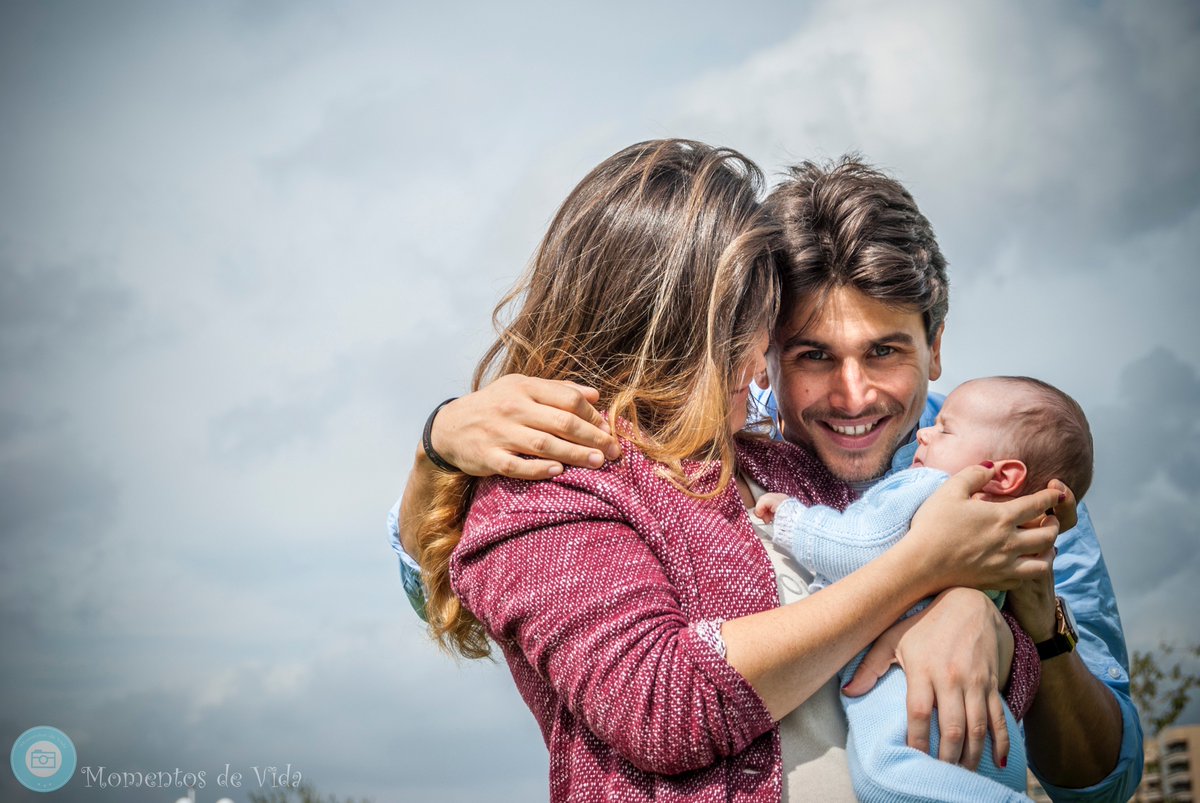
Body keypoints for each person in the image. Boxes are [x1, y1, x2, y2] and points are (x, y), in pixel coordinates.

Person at [392, 155, 1142, 800]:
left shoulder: (996, 463)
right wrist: (438, 447)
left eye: (885, 352)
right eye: (812, 355)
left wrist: (1000, 618)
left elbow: (1100, 777)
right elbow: (452, 571)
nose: (852, 397)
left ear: (937, 346)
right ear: (768, 345)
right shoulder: (658, 455)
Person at [755, 376, 1094, 801]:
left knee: (882, 778)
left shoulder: (928, 488)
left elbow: (854, 546)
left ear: (1003, 474)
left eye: (945, 430)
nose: (924, 432)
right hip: (988, 726)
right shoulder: (1011, 540)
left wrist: (793, 519)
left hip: (906, 700)